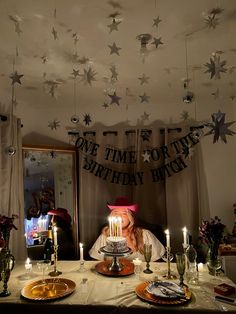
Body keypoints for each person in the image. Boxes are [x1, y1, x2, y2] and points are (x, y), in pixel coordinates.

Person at [89, 196, 165, 261]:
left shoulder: (144, 234)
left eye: (124, 213)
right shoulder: (106, 235)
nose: (119, 216)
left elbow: (157, 261)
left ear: (130, 217)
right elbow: (95, 261)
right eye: (116, 213)